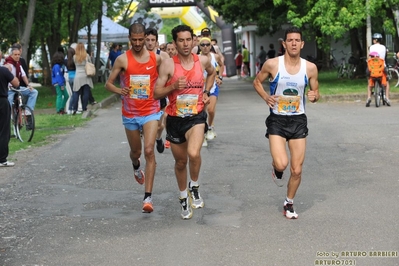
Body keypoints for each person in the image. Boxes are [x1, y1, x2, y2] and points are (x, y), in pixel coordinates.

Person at [253, 26, 319, 219]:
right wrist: (266, 97)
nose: (293, 43)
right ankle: (276, 168)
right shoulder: (273, 64)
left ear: (302, 44)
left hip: (298, 119)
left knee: (297, 170)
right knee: (282, 164)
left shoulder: (310, 68)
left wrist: (314, 96)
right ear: (284, 43)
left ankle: (289, 203)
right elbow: (257, 82)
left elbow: (316, 93)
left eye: (297, 40)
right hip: (277, 120)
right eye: (290, 40)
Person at [154, 24, 216, 220]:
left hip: (196, 116)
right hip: (175, 118)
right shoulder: (168, 65)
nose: (185, 44)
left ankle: (194, 185)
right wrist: (172, 86)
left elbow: (213, 73)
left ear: (194, 40)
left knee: (193, 153)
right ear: (175, 43)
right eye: (181, 40)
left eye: (188, 39)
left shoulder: (203, 61)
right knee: (180, 162)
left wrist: (206, 92)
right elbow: (156, 92)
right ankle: (183, 197)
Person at [105, 23, 163, 213]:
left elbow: (167, 77)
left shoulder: (156, 58)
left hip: (151, 111)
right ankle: (136, 166)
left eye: (141, 39)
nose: (138, 43)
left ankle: (148, 198)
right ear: (129, 38)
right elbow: (108, 84)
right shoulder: (122, 60)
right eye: (134, 39)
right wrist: (120, 90)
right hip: (130, 113)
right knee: (136, 152)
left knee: (149, 149)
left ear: (146, 37)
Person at [144, 27, 170, 153]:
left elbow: (170, 73)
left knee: (160, 124)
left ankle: (158, 138)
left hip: (159, 94)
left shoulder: (163, 55)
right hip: (143, 94)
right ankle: (148, 148)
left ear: (156, 41)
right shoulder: (139, 54)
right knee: (145, 123)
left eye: (152, 40)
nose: (149, 42)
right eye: (147, 40)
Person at [199, 37, 224, 146]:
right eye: (203, 45)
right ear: (200, 47)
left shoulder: (216, 56)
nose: (205, 47)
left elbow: (221, 65)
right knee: (202, 112)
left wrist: (219, 77)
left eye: (207, 44)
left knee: (211, 110)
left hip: (213, 87)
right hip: (200, 88)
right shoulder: (196, 58)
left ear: (210, 46)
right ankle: (203, 134)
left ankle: (210, 127)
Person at [5, 46, 39, 115]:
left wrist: (28, 85)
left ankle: (27, 111)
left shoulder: (18, 65)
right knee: (8, 105)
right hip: (10, 89)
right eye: (15, 55)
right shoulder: (8, 65)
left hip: (18, 88)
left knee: (34, 92)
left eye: (18, 55)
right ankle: (9, 118)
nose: (17, 56)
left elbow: (23, 75)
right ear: (11, 55)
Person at [0, 60, 20, 167]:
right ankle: (2, 159)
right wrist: (9, 71)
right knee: (3, 130)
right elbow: (16, 83)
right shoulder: (3, 70)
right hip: (2, 101)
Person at [366, 33, 390, 107]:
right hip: (381, 67)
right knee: (387, 81)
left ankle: (369, 97)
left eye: (373, 39)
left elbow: (369, 57)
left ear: (376, 40)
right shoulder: (384, 47)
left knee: (369, 80)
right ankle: (387, 97)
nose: (373, 40)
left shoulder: (371, 47)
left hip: (373, 68)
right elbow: (385, 56)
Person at [71, 43, 93, 115]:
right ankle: (84, 108)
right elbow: (90, 63)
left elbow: (74, 65)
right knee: (86, 92)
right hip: (86, 75)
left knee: (76, 92)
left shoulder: (74, 57)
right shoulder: (86, 56)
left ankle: (74, 109)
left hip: (78, 76)